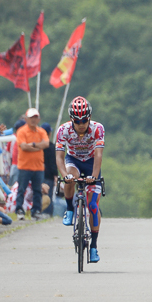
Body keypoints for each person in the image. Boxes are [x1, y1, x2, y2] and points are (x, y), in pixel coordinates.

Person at [56, 96, 105, 263]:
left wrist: (94, 175)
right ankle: (70, 209)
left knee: (92, 206)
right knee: (70, 177)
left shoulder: (97, 128)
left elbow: (98, 155)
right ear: (72, 119)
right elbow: (59, 157)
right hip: (74, 160)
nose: (81, 123)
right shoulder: (63, 130)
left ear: (89, 117)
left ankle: (93, 247)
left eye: (85, 119)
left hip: (92, 163)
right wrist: (64, 175)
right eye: (77, 121)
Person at [15, 108, 49, 221]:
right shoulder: (22, 131)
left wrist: (33, 145)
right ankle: (19, 209)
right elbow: (23, 146)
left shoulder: (41, 131)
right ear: (26, 119)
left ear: (38, 119)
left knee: (37, 190)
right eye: (31, 118)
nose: (33, 120)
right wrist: (38, 146)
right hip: (24, 166)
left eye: (35, 118)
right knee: (22, 189)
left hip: (38, 166)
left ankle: (36, 210)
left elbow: (46, 144)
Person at [41, 122, 57, 216]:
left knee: (40, 194)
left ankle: (39, 212)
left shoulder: (38, 146)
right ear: (49, 133)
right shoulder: (50, 147)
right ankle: (47, 213)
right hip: (49, 175)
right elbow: (53, 163)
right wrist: (55, 175)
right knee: (48, 195)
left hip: (39, 173)